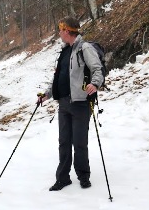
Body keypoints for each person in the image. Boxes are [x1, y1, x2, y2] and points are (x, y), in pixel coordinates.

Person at [37, 17, 104, 191]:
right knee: (64, 142)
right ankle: (63, 178)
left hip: (81, 103)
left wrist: (95, 84)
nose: (59, 33)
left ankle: (83, 176)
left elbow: (97, 68)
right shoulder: (64, 51)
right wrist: (47, 94)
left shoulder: (84, 48)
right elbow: (59, 78)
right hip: (64, 103)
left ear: (67, 31)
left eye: (60, 30)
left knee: (79, 142)